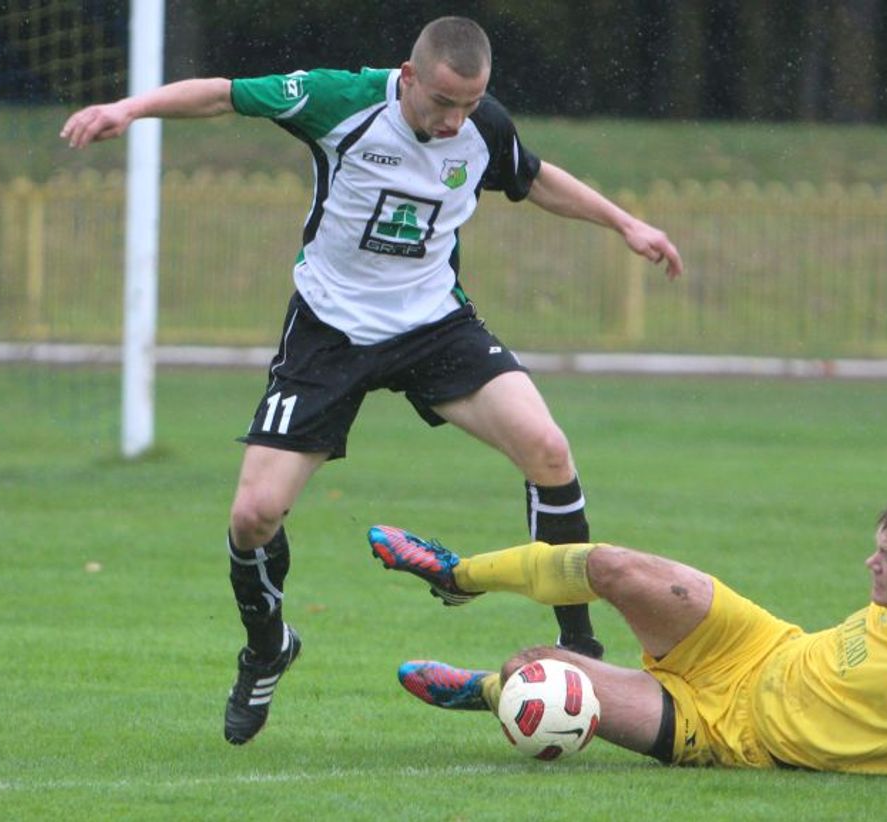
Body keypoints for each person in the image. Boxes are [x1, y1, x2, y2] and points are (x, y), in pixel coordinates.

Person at [60, 16, 683, 745]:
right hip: (331, 332)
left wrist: (625, 224)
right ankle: (267, 648)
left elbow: (534, 176)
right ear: (408, 76)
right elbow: (224, 95)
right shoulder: (339, 101)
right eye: (442, 102)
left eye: (470, 103)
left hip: (433, 328)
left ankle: (579, 651)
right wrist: (127, 110)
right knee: (252, 515)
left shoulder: (482, 126)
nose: (455, 120)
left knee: (549, 450)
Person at [369, 488, 887, 796]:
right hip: (757, 645)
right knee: (612, 566)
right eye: (877, 550)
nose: (870, 565)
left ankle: (480, 692)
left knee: (540, 673)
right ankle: (457, 573)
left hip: (727, 732)